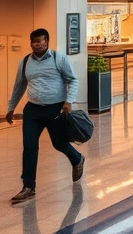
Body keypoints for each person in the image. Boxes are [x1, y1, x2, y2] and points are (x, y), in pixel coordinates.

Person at [7, 29, 85, 204]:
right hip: (32, 111)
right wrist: (11, 107)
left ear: (47, 41)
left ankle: (77, 158)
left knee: (59, 143)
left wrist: (69, 101)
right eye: (34, 41)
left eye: (40, 41)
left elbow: (73, 79)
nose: (37, 44)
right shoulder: (25, 61)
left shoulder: (59, 59)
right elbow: (19, 85)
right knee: (29, 146)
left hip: (55, 109)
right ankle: (28, 187)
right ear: (31, 43)